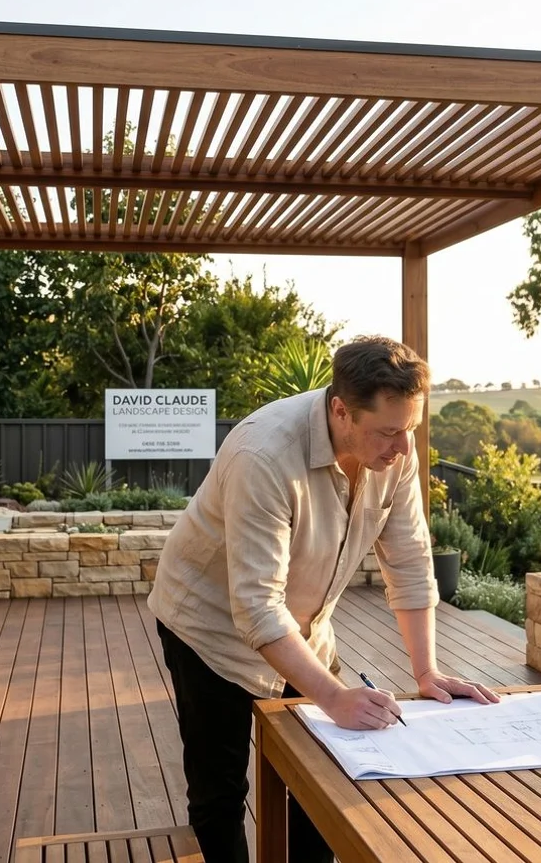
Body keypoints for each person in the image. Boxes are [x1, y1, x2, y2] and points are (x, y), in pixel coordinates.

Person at [148, 335, 500, 863]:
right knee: (220, 789)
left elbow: (408, 560)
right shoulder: (263, 455)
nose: (404, 449)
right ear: (340, 410)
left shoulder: (394, 449)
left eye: (410, 429)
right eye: (389, 432)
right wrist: (333, 697)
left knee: (322, 774)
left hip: (304, 627)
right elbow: (257, 607)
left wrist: (426, 672)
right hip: (208, 627)